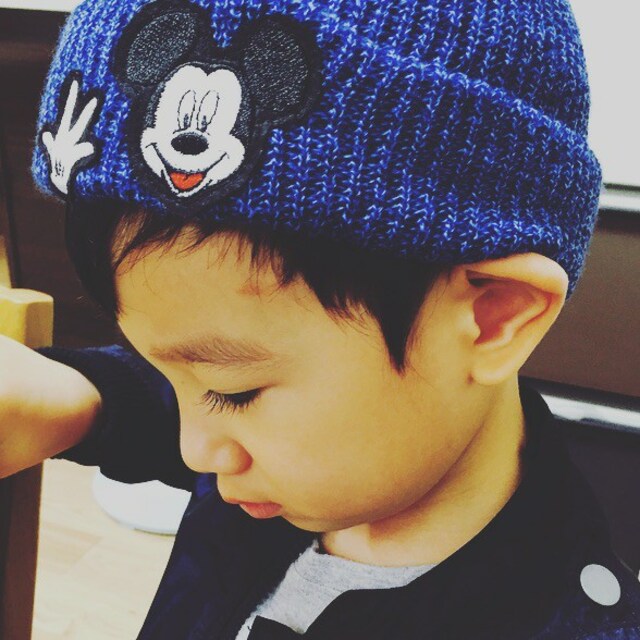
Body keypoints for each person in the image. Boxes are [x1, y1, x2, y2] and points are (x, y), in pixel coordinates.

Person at [1, 0, 639, 637]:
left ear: (493, 315)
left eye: (234, 392)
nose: (195, 451)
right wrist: (80, 396)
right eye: (169, 373)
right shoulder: (302, 463)